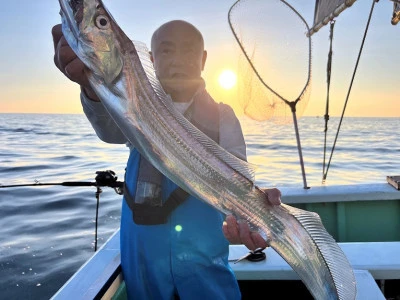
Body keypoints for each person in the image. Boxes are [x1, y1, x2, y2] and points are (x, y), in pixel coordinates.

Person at [52, 19, 281, 300]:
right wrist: (91, 88)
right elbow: (109, 130)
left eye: (188, 51)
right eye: (167, 50)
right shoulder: (137, 106)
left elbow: (236, 181)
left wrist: (242, 222)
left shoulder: (222, 116)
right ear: (151, 59)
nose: (177, 60)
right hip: (144, 265)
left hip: (204, 263)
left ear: (204, 59)